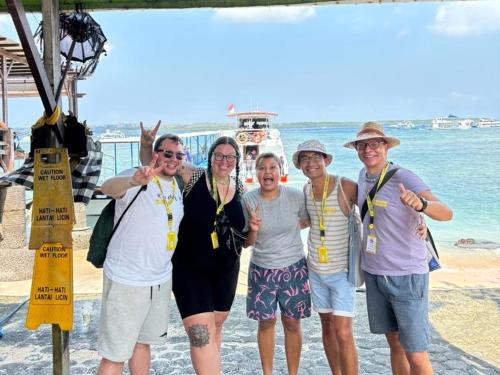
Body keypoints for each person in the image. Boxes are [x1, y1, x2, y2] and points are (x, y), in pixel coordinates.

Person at [343, 122, 453, 375]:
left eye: (375, 144)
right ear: (357, 149)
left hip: (406, 275)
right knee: (394, 343)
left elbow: (446, 213)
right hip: (374, 273)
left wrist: (421, 205)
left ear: (386, 147)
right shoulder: (363, 176)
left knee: (415, 352)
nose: (368, 150)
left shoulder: (404, 176)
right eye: (363, 145)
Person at [140, 130, 246, 375]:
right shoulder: (194, 175)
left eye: (230, 158)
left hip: (226, 270)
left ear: (237, 162)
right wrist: (146, 146)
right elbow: (159, 165)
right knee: (200, 333)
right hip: (190, 267)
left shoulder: (239, 186)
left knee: (215, 328)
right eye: (219, 155)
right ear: (210, 157)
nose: (224, 161)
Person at [97, 132, 185, 375]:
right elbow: (108, 187)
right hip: (127, 279)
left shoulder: (175, 186)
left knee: (142, 343)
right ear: (156, 154)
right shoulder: (137, 175)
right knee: (115, 355)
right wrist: (133, 181)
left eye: (178, 155)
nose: (173, 159)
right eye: (167, 153)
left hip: (159, 280)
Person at [292, 139, 359, 375]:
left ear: (326, 160)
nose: (310, 163)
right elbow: (307, 220)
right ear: (300, 165)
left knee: (343, 331)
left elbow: (375, 210)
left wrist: (416, 220)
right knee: (328, 328)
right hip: (316, 271)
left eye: (315, 157)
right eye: (305, 159)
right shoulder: (306, 190)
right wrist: (272, 228)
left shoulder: (345, 186)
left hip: (342, 271)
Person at [242, 152, 311, 375]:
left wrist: (289, 230)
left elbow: (307, 220)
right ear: (256, 172)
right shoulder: (249, 200)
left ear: (280, 172)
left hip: (294, 268)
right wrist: (253, 229)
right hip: (262, 269)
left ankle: (293, 372)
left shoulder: (294, 196)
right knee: (266, 323)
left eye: (273, 167)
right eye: (262, 168)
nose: (267, 172)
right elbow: (246, 243)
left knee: (292, 323)